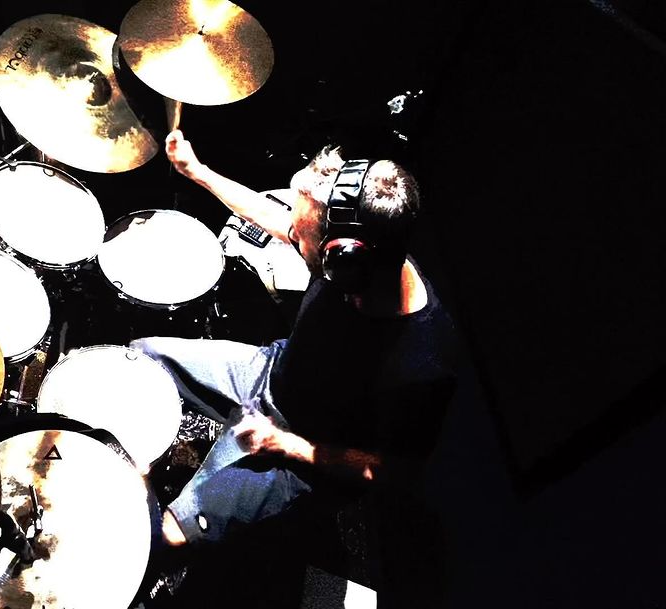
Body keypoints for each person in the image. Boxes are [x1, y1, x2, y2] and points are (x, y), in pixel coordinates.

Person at [131, 130, 458, 607]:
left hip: (302, 454)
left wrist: (285, 445)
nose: (293, 240)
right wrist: (197, 172)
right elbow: (273, 218)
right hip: (270, 373)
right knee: (141, 357)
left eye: (304, 240)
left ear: (343, 260)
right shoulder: (355, 253)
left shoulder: (424, 362)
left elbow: (395, 472)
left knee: (167, 535)